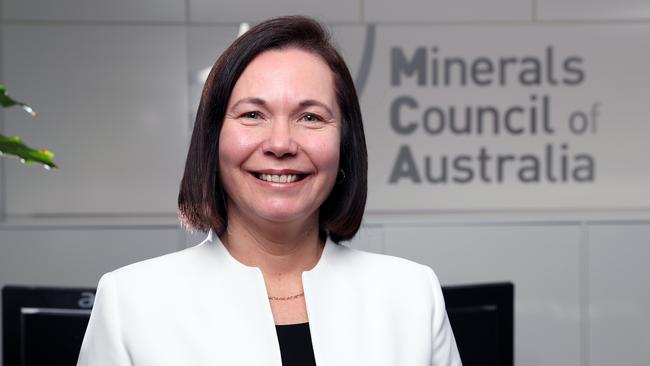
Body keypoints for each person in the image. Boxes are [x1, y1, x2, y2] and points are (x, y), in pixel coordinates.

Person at [77, 15, 461, 366]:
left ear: (344, 142)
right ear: (213, 138)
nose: (281, 143)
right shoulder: (130, 302)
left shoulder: (412, 295)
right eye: (252, 115)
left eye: (310, 117)